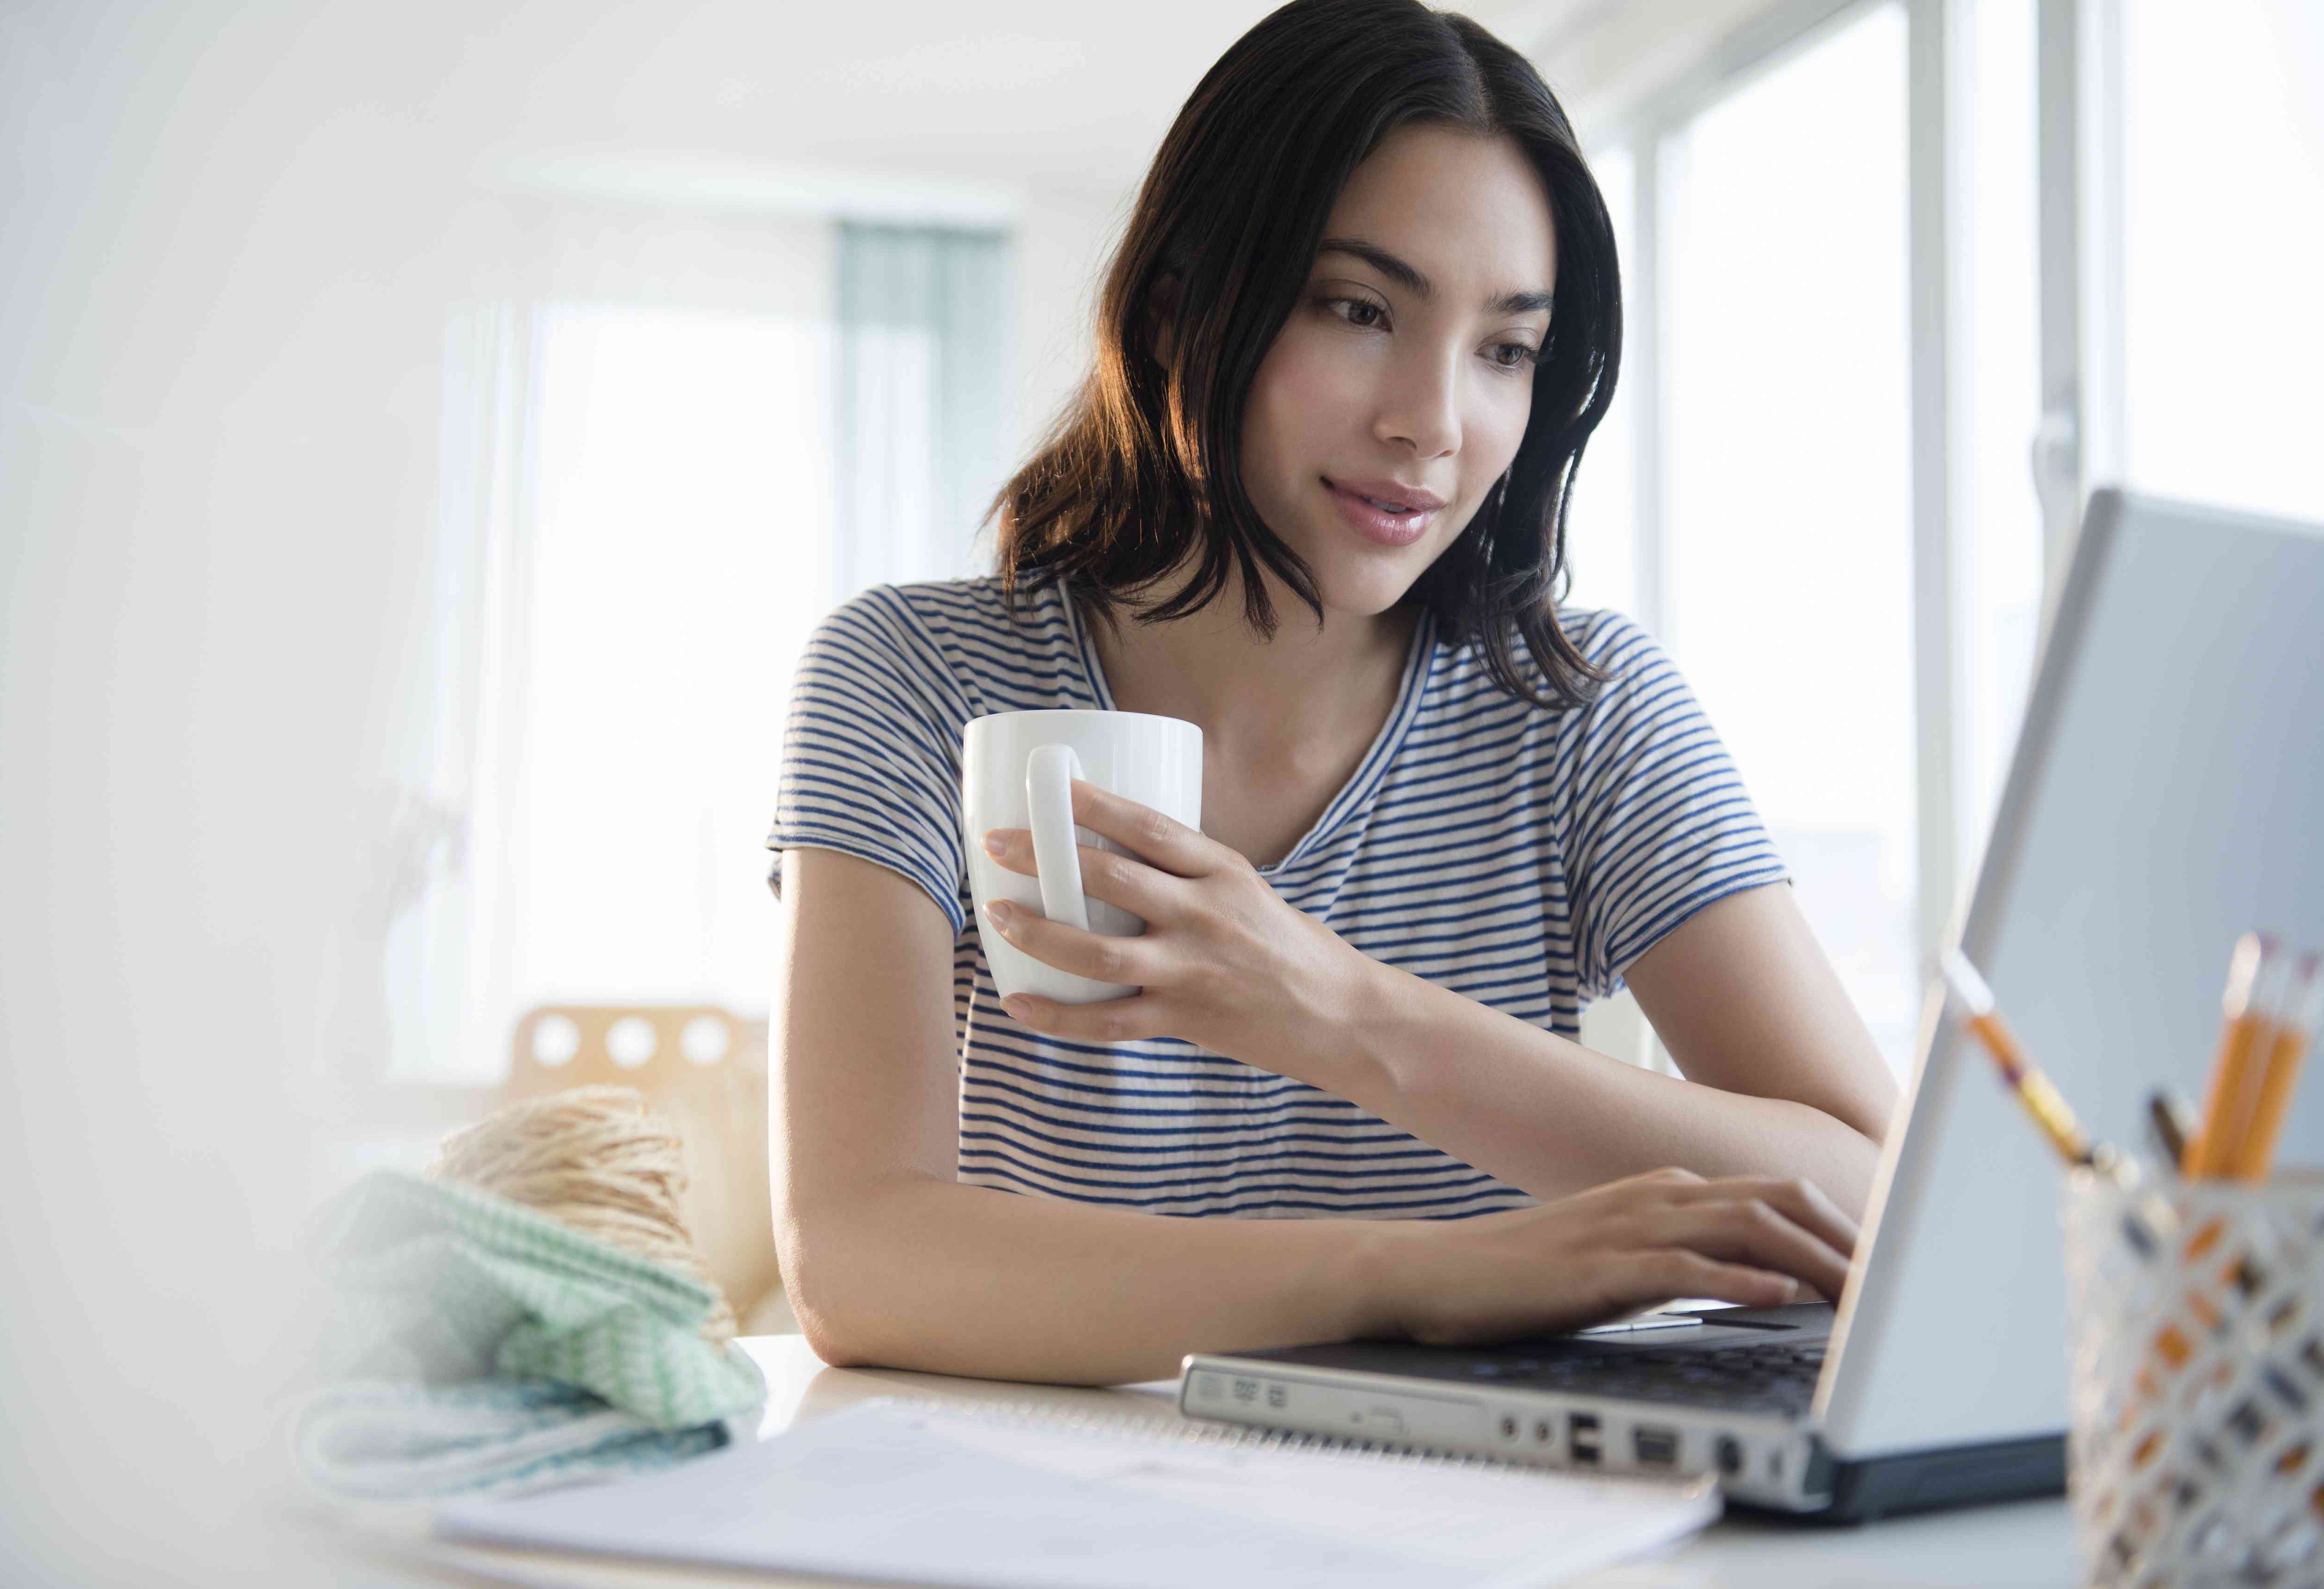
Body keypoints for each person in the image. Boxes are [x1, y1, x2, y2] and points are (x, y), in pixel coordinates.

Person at [767, 0, 1898, 1386]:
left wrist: (1339, 1011)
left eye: (1505, 348)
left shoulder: (1582, 716)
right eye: (1360, 309)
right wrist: (1417, 1278)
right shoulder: (912, 680)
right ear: (1183, 314)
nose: (1432, 418)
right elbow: (862, 1258)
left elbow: (1876, 1193)